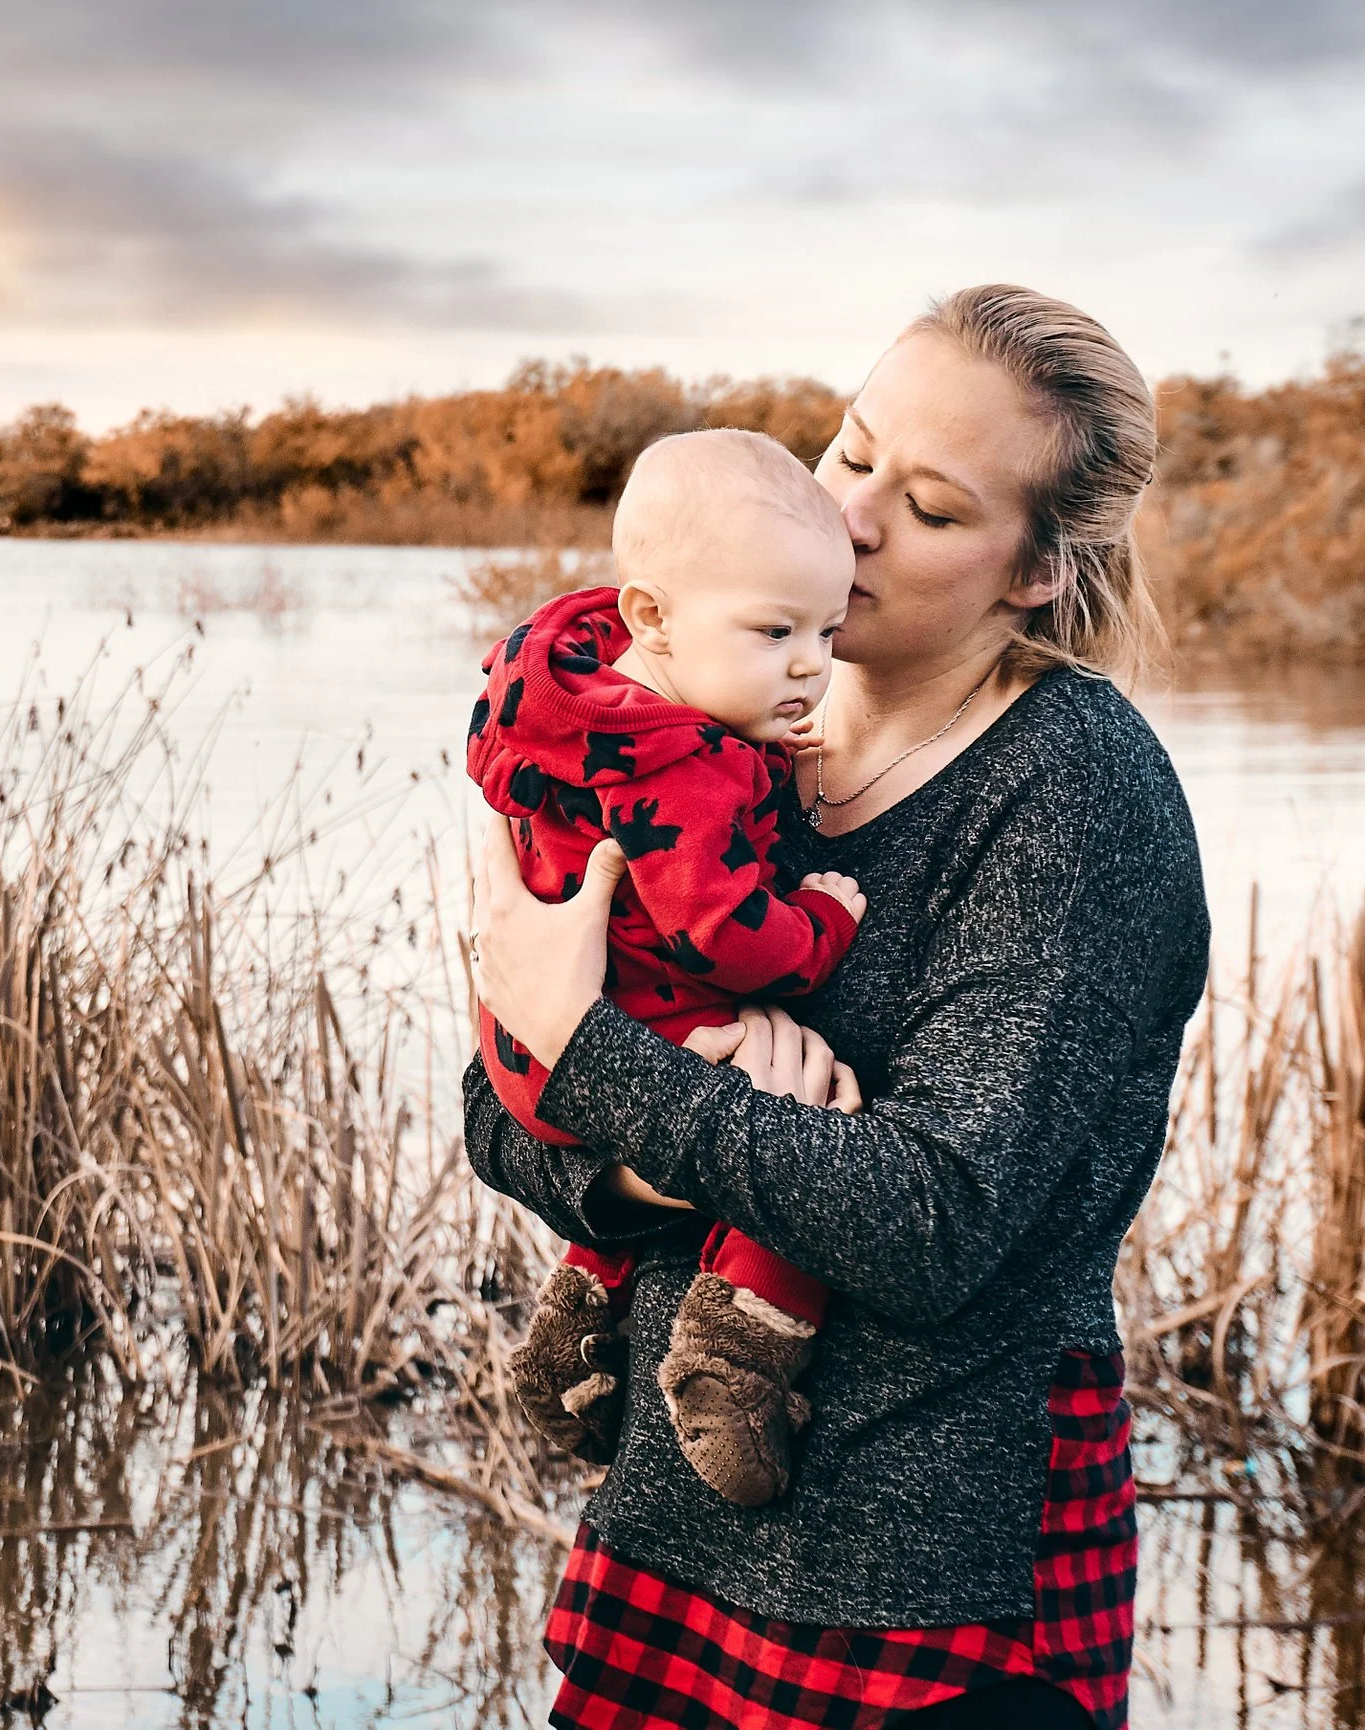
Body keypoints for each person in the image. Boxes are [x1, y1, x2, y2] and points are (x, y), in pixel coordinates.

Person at [466, 285, 1210, 1729]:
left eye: (926, 506)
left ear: (1036, 570)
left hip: (932, 1580)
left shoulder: (1072, 794)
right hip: (673, 1539)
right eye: (850, 450)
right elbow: (498, 1113)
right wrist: (637, 1129)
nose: (848, 517)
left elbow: (931, 1225)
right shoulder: (710, 725)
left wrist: (600, 1059)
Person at [468, 429, 869, 1508]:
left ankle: (576, 1310)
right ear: (650, 615)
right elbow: (723, 934)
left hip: (526, 1046)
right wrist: (820, 923)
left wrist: (759, 764)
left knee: (727, 1109)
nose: (811, 663)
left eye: (826, 631)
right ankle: (737, 1354)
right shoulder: (682, 765)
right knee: (806, 1107)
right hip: (625, 1034)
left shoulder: (584, 703)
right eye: (776, 631)